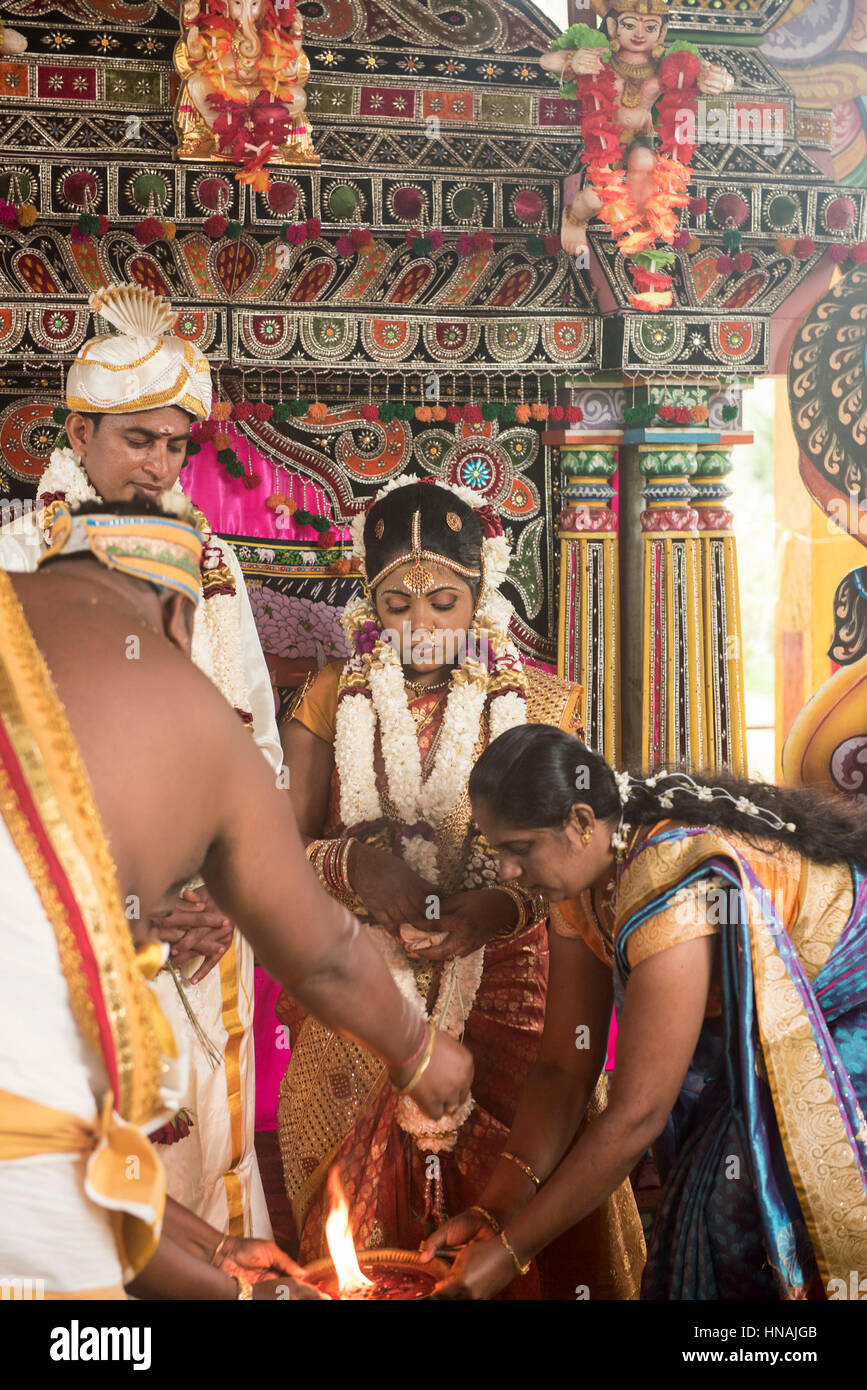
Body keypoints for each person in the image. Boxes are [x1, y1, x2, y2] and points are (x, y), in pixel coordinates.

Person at [0, 499, 471, 1299]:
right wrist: (420, 1050)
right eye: (397, 601)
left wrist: (215, 1249)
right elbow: (319, 951)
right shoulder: (183, 704)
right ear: (181, 615)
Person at [277, 475, 645, 1298]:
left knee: (531, 1192)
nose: (421, 627)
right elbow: (270, 852)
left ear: (479, 596)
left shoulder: (541, 702)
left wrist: (494, 907)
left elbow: (576, 859)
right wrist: (351, 866)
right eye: (397, 605)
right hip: (365, 978)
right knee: (351, 1220)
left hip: (510, 984)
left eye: (443, 602)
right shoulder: (331, 698)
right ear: (369, 604)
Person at [0, 282, 281, 1238]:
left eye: (175, 444)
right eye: (136, 439)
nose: (160, 464)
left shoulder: (209, 562)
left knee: (198, 1142)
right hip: (62, 911)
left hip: (201, 922)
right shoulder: (12, 554)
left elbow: (254, 743)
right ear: (77, 435)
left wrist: (228, 889)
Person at [423, 726, 867, 1300]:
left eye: (519, 848)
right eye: (498, 851)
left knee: (732, 1200)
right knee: (710, 1195)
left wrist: (510, 1257)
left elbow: (638, 1113)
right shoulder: (581, 887)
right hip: (774, 1038)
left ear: (582, 822)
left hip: (846, 1014)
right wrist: (497, 1209)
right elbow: (565, 1064)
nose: (507, 872)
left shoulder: (671, 879)